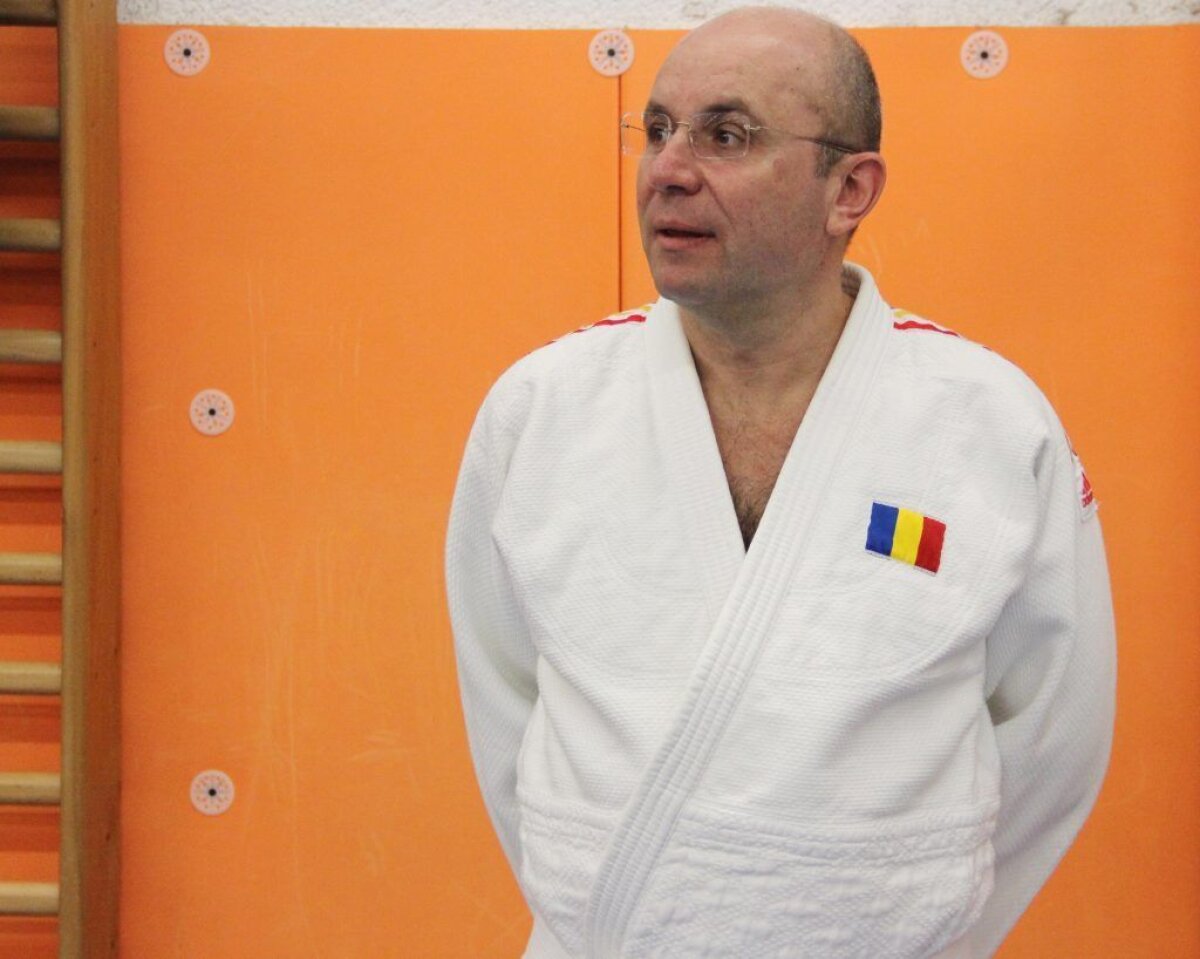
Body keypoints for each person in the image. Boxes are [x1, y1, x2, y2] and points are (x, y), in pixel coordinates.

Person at [445, 7, 1116, 958]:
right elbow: (503, 696)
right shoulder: (542, 410)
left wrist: (915, 924)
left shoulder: (991, 425)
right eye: (658, 129)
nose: (669, 169)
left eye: (727, 135)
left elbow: (1055, 735)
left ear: (849, 189)